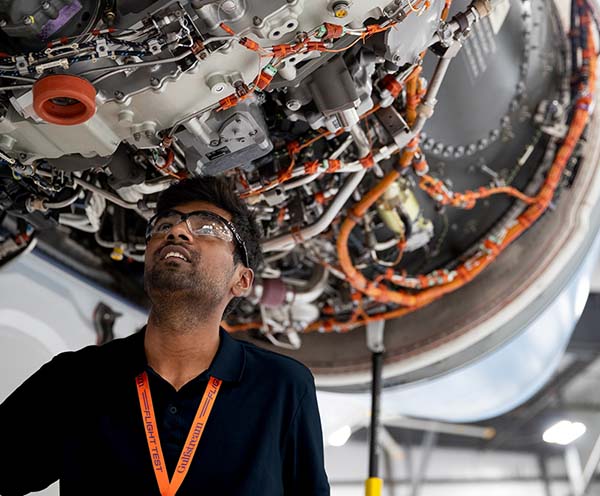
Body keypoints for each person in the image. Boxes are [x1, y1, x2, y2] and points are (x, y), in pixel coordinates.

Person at [0, 175, 331, 496]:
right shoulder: (75, 379)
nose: (176, 231)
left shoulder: (282, 387)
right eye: (162, 225)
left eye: (208, 228)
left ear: (242, 280)